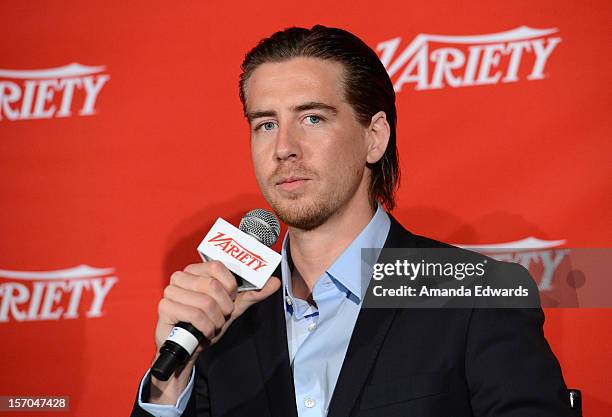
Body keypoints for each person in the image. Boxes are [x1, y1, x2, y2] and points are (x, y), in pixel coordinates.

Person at [131, 25, 573, 417]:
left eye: (312, 118)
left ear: (374, 137)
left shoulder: (477, 297)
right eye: (265, 124)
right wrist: (170, 384)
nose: (284, 147)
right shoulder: (220, 320)